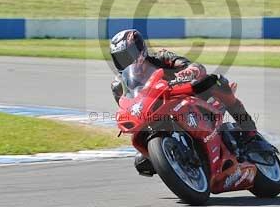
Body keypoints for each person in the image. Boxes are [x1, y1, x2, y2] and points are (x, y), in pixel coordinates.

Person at [108, 28, 258, 176]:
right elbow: (127, 105)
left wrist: (187, 72)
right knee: (142, 162)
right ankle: (179, 162)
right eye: (119, 58)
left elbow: (192, 66)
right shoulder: (119, 85)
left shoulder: (161, 57)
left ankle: (250, 131)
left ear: (140, 49)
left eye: (127, 55)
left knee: (217, 83)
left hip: (185, 95)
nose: (125, 61)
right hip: (155, 114)